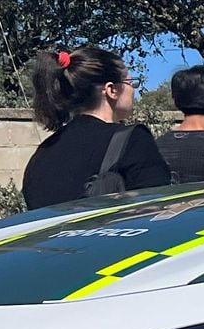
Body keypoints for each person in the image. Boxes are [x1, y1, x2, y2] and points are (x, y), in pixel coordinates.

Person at [22, 46, 171, 210]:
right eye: (130, 82)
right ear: (111, 90)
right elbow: (155, 207)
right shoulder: (133, 140)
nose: (133, 90)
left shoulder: (43, 153)